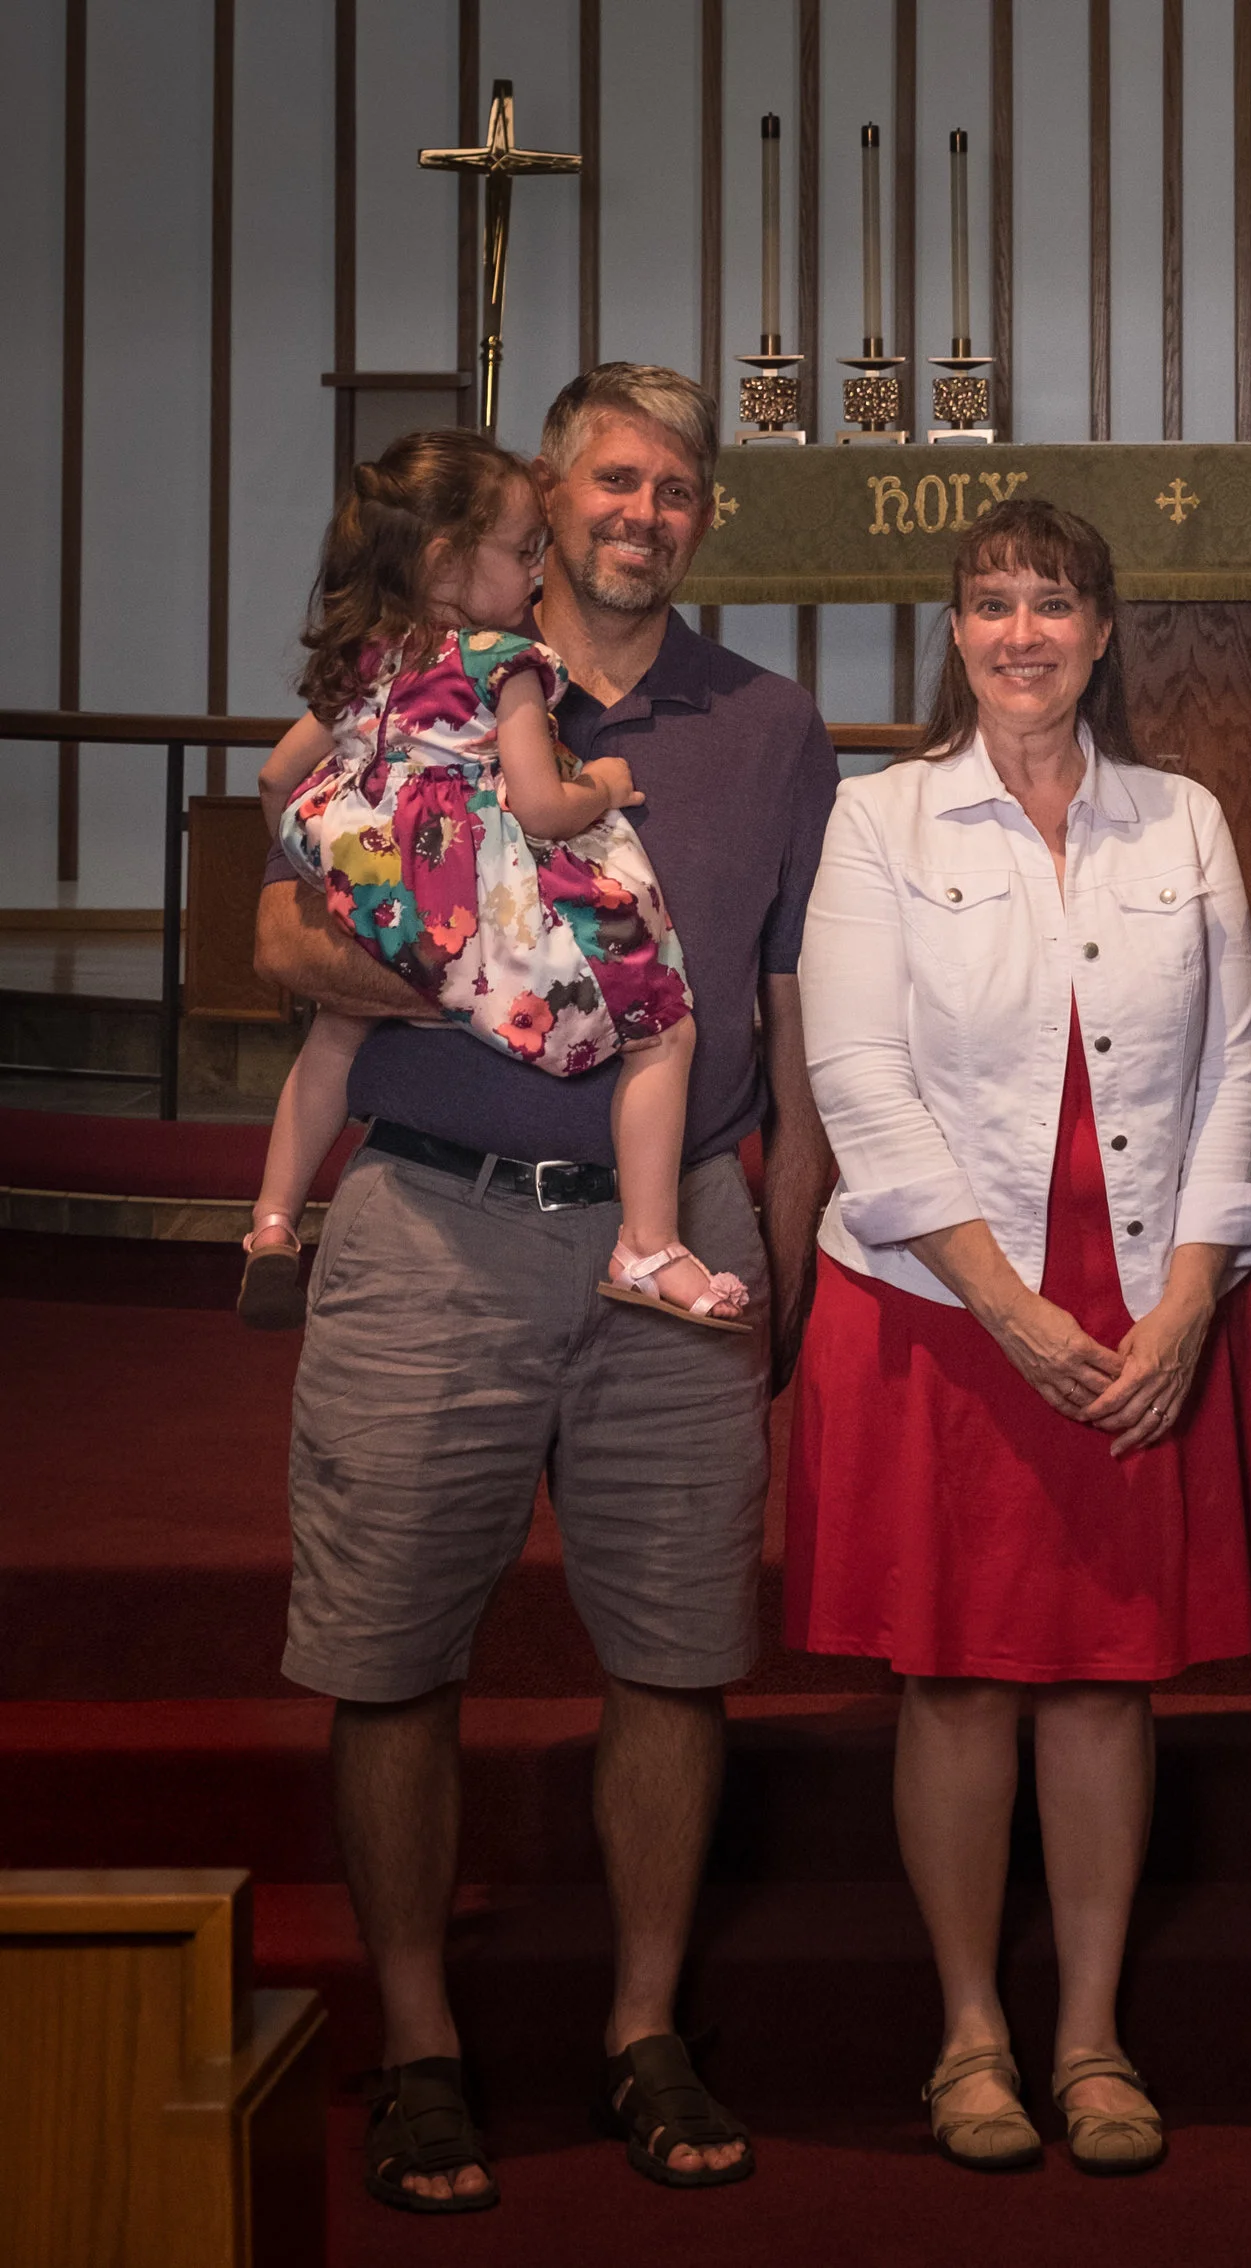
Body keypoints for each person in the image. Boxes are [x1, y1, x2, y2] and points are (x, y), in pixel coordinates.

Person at [251, 364, 837, 2211]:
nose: (643, 513)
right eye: (612, 480)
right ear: (545, 498)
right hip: (434, 1222)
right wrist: (497, 970)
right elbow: (279, 929)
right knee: (390, 1656)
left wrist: (788, 1221)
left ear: (704, 516)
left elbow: (792, 1008)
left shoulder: (769, 724)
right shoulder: (417, 678)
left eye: (677, 487)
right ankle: (422, 2040)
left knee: (678, 1651)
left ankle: (644, 2025)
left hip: (683, 1228)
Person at [787, 497, 1251, 2178]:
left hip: (1142, 1294)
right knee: (953, 1679)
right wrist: (1006, 1305)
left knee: (1102, 1683)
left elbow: (1239, 1061)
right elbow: (856, 1077)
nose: (1024, 632)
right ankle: (969, 2032)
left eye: (1055, 602)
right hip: (946, 1303)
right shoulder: (880, 818)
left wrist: (1191, 1296)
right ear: (957, 631)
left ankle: (1089, 2036)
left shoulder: (1184, 817)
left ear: (1102, 630)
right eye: (994, 602)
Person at [241, 427, 747, 1336]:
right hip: (474, 897)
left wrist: (336, 858)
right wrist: (607, 786)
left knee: (337, 1030)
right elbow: (543, 808)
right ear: (447, 561)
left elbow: (277, 778)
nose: (535, 570)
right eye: (521, 552)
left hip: (379, 886)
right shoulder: (500, 661)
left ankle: (273, 1219)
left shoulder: (363, 664)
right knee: (662, 1027)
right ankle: (647, 1242)